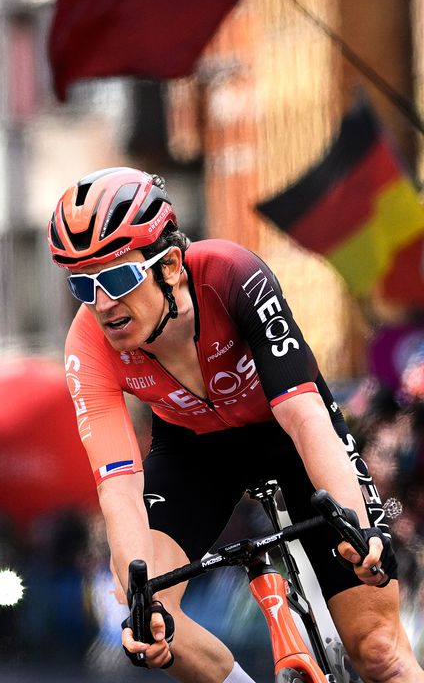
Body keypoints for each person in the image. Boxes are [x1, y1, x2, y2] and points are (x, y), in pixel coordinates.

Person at [51, 167, 424, 682]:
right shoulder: (86, 345)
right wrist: (143, 603)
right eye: (82, 284)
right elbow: (117, 485)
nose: (102, 303)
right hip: (194, 454)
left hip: (287, 433)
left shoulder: (230, 273)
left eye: (117, 278)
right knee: (144, 606)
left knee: (380, 650)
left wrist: (359, 529)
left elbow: (304, 414)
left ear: (172, 266)